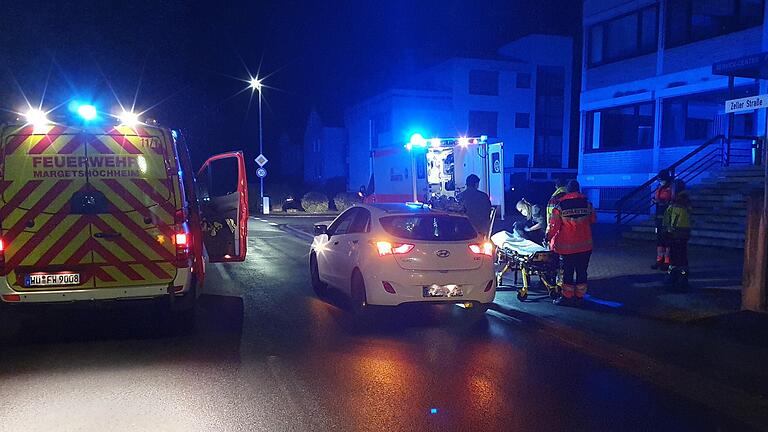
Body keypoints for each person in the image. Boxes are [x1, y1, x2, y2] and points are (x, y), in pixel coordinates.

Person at [547, 180, 596, 305]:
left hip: (567, 247)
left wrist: (548, 237)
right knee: (582, 271)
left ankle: (567, 297)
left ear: (567, 190)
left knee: (568, 272)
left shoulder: (560, 206)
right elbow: (593, 220)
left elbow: (554, 226)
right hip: (585, 245)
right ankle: (580, 296)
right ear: (578, 189)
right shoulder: (587, 204)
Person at [664, 179, 692, 290]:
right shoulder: (679, 200)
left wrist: (670, 230)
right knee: (677, 255)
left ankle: (680, 278)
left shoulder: (681, 200)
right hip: (679, 231)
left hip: (679, 232)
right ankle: (677, 276)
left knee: (679, 255)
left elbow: (678, 217)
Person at [652, 170, 674, 270]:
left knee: (667, 240)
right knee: (659, 240)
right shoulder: (660, 187)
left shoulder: (671, 188)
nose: (660, 181)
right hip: (659, 217)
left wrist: (660, 201)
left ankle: (667, 261)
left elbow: (671, 201)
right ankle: (659, 260)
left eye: (661, 180)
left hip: (667, 217)